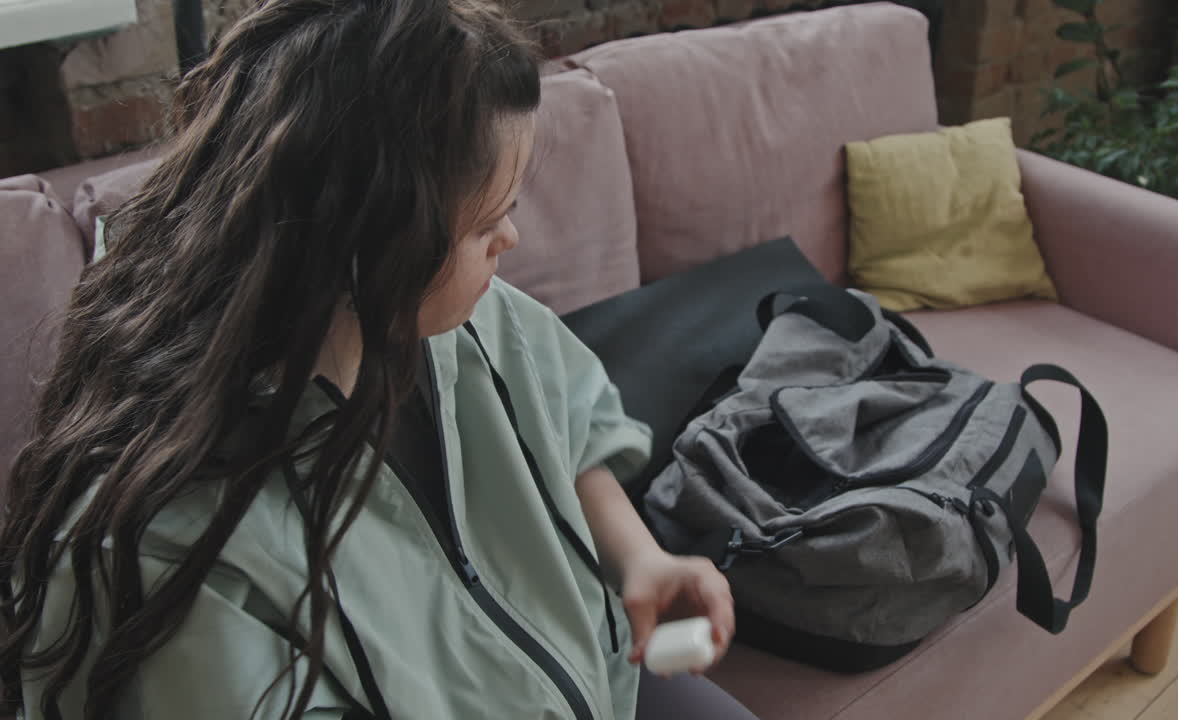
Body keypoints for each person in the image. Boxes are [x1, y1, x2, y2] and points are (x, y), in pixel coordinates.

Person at [0, 1, 759, 718]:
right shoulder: (180, 551)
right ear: (368, 232)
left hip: (592, 672)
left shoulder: (470, 323)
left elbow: (570, 421)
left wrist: (639, 563)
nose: (510, 242)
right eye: (486, 221)